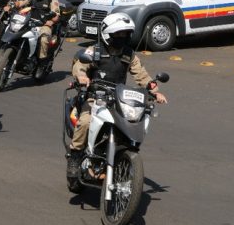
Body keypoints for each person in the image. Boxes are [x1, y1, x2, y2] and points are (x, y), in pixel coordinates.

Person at [66, 12, 168, 177]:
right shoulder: (95, 50)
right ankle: (75, 157)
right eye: (119, 34)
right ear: (108, 34)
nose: (123, 37)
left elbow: (141, 74)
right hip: (95, 97)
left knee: (130, 122)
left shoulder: (128, 54)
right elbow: (80, 65)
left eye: (126, 34)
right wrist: (82, 76)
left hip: (118, 98)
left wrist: (154, 92)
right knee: (85, 122)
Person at [16, 0, 60, 66]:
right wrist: (14, 4)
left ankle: (42, 62)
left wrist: (51, 21)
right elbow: (22, 2)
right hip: (30, 22)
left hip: (44, 24)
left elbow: (56, 14)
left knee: (44, 39)